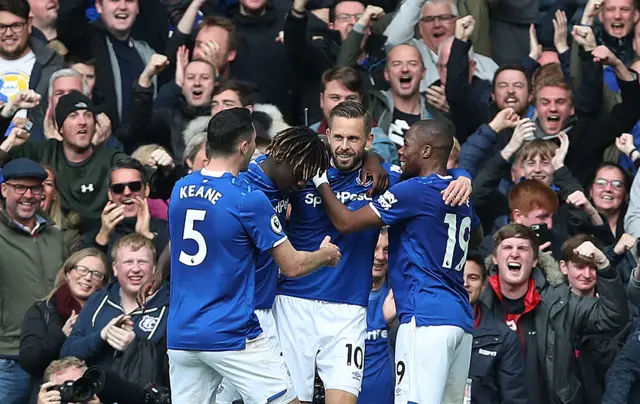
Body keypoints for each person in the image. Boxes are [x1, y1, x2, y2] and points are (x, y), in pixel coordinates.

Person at [166, 108, 340, 404]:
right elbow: (293, 266)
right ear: (245, 146)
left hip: (182, 333)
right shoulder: (248, 198)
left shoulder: (181, 188)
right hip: (230, 328)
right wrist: (325, 256)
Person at [308, 118, 482, 403]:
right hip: (460, 319)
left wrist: (321, 183)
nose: (401, 151)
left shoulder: (414, 191)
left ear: (426, 152)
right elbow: (477, 236)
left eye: (407, 145)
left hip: (424, 316)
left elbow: (347, 222)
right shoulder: (458, 191)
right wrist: (462, 177)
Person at [483, 223, 629, 403]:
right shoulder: (479, 303)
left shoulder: (559, 301)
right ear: (495, 258)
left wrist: (604, 266)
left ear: (535, 260)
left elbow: (612, 317)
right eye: (507, 247)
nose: (515, 253)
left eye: (522, 248)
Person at [61, 234, 169, 387]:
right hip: (96, 396)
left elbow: (174, 366)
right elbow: (67, 353)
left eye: (142, 262)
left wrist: (134, 346)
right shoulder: (98, 300)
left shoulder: (171, 305)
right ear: (115, 269)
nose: (136, 269)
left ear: (154, 268)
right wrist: (101, 336)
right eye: (128, 262)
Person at [0, 158, 67, 404]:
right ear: (4, 189)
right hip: (7, 357)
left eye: (36, 188)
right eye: (20, 188)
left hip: (51, 355)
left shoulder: (55, 236)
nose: (28, 195)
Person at [19, 248, 108, 404]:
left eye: (96, 274)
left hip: (92, 396)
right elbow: (29, 360)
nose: (87, 277)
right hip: (50, 396)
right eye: (82, 269)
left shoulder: (106, 314)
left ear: (102, 284)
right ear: (68, 273)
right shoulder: (42, 311)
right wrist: (61, 336)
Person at [463, 253, 528, 404]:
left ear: (484, 285)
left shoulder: (504, 338)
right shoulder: (426, 327)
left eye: (473, 278)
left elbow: (514, 398)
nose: (465, 283)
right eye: (459, 277)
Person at [358, 227, 395, 404]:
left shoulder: (399, 298)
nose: (380, 256)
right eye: (375, 248)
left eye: (386, 250)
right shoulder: (341, 297)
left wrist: (394, 322)